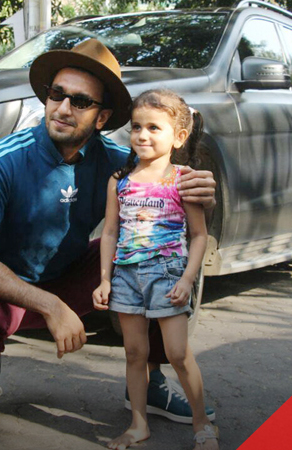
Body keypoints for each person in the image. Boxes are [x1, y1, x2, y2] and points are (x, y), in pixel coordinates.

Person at [0, 39, 217, 427]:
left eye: (81, 102)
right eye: (57, 95)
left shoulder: (118, 165)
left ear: (101, 119)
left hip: (71, 276)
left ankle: (149, 381)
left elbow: (172, 189)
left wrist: (200, 192)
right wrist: (51, 306)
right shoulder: (2, 159)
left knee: (156, 256)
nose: (63, 109)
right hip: (5, 289)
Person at [93, 89, 218, 450]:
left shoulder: (183, 179)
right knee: (135, 354)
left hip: (167, 274)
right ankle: (138, 424)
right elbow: (110, 232)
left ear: (178, 137)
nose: (142, 135)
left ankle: (201, 425)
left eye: (153, 127)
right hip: (126, 277)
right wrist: (104, 279)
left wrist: (187, 279)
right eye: (136, 127)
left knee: (178, 354)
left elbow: (199, 236)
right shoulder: (121, 180)